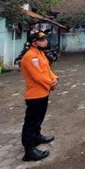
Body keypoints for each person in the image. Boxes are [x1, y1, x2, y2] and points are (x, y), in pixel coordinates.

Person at [20, 31, 58, 161]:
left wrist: (54, 78)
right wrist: (51, 84)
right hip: (35, 95)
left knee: (38, 119)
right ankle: (29, 150)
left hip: (43, 93)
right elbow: (38, 77)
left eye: (45, 39)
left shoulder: (40, 54)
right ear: (34, 43)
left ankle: (37, 137)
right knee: (31, 122)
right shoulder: (30, 57)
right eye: (42, 40)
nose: (45, 42)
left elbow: (47, 70)